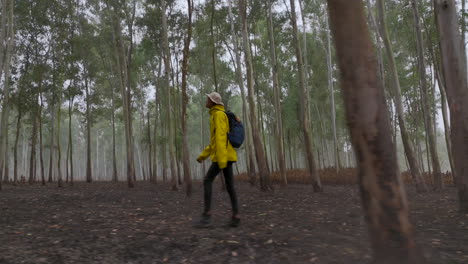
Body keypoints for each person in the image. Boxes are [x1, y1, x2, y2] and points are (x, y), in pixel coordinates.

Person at [195, 92, 240, 228]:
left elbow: (221, 138)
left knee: (207, 180)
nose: (206, 100)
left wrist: (221, 161)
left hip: (223, 156)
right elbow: (214, 142)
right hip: (226, 155)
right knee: (230, 186)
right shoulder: (216, 115)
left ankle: (207, 216)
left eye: (208, 99)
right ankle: (236, 216)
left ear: (213, 102)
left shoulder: (218, 115)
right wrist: (203, 156)